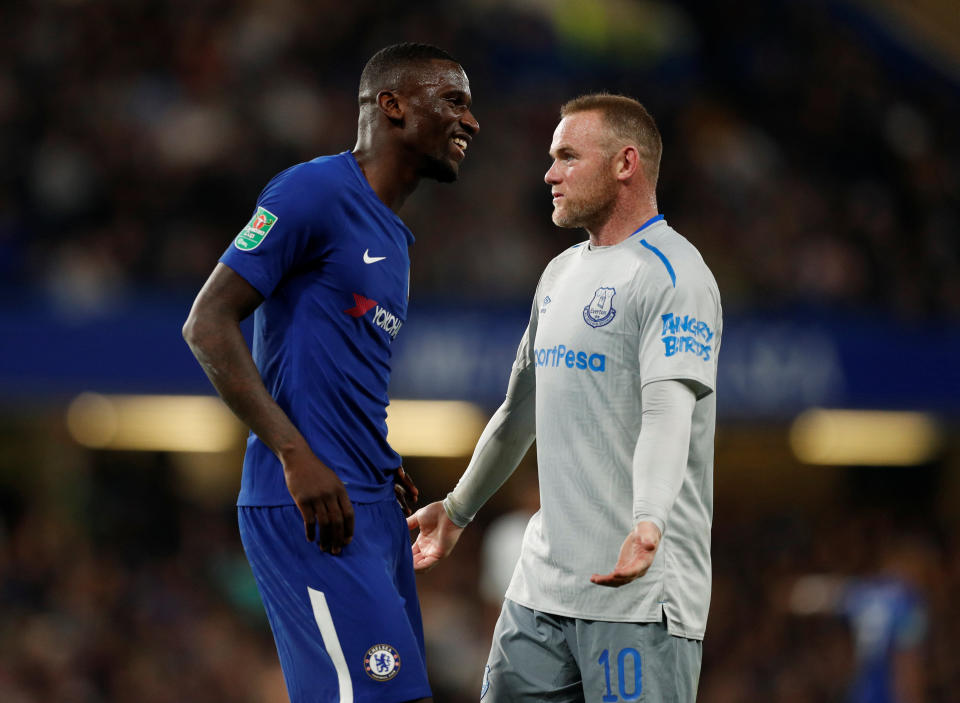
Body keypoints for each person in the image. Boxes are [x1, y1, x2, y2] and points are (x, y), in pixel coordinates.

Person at [182, 42, 478, 703]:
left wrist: (377, 454)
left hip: (369, 502)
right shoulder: (312, 190)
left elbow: (339, 364)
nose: (471, 121)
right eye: (454, 101)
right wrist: (294, 452)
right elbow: (207, 322)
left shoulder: (397, 239)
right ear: (393, 105)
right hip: (312, 506)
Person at [407, 94, 721, 702]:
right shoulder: (559, 274)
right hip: (540, 591)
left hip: (639, 595)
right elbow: (519, 409)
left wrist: (649, 522)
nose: (549, 173)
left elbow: (668, 410)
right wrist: (458, 509)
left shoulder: (676, 276)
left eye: (568, 157)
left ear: (625, 163)